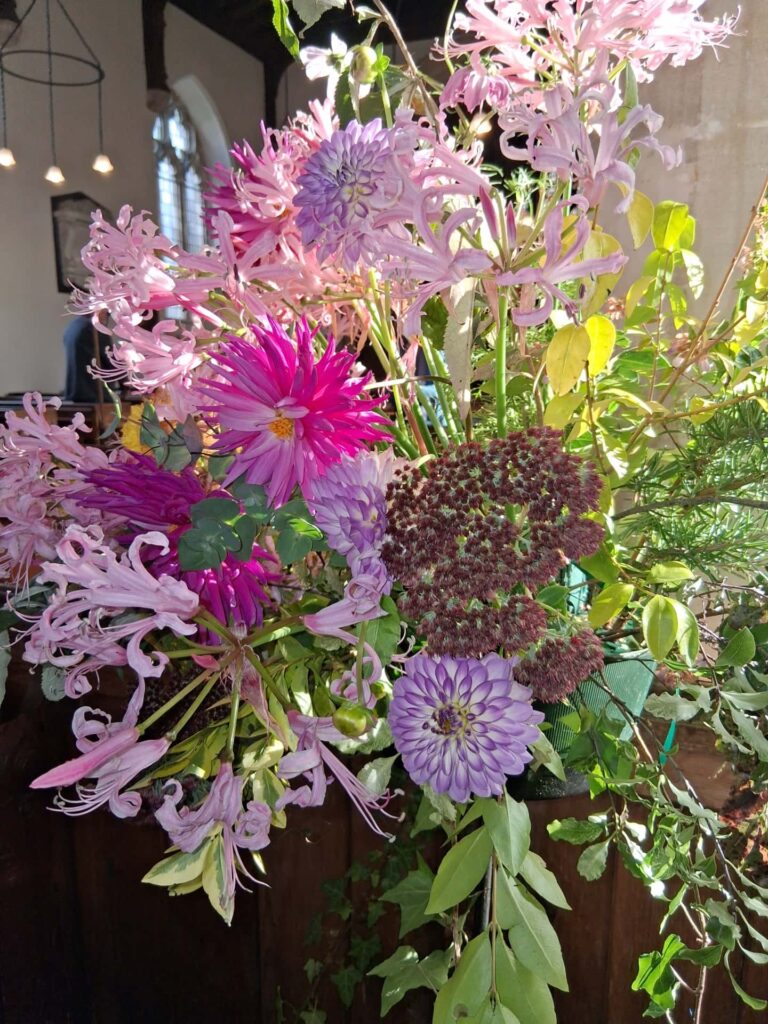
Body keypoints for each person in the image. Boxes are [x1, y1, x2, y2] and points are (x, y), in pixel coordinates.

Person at [62, 314, 112, 403]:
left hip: (73, 395)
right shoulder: (95, 328)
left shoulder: (72, 326)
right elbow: (112, 360)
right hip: (95, 395)